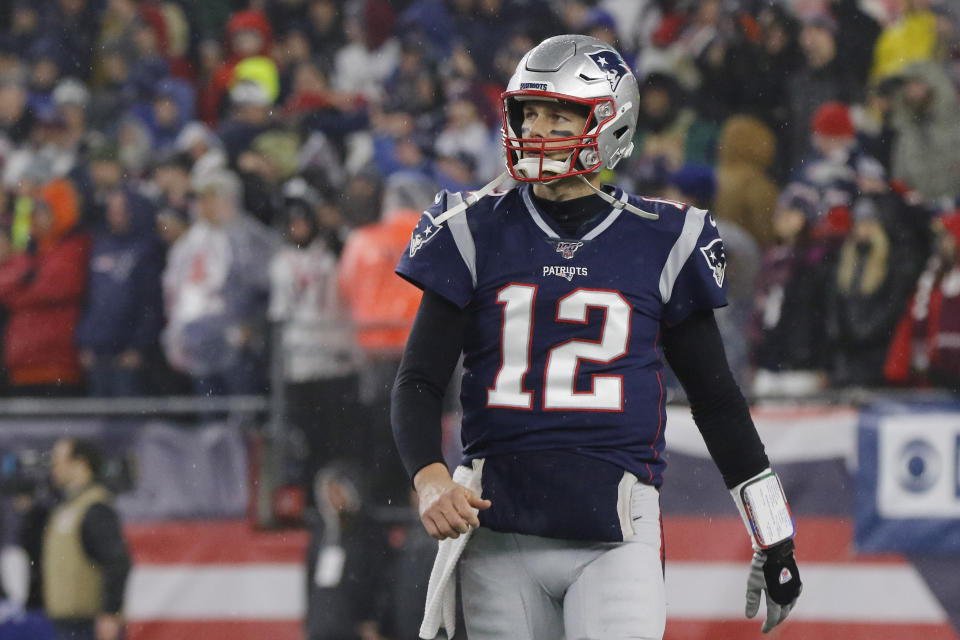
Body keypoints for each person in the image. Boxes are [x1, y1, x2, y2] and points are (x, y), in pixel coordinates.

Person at [391, 35, 802, 640]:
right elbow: (418, 379)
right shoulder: (470, 227)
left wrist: (774, 530)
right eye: (530, 112)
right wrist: (428, 476)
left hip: (615, 532)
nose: (537, 128)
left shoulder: (662, 237)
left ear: (610, 124)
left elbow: (717, 401)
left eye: (560, 114)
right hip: (496, 528)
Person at [43, 438, 131, 640]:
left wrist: (110, 612)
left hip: (87, 623)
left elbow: (117, 562)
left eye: (59, 460)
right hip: (70, 622)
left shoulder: (95, 507)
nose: (54, 467)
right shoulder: (69, 506)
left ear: (80, 464)